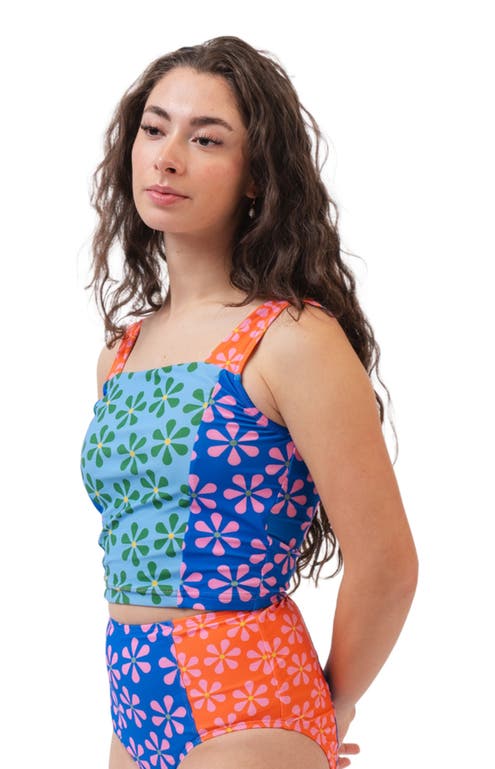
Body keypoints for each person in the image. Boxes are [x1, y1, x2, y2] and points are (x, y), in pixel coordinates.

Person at [80, 35, 418, 769]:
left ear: (257, 176)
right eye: (155, 129)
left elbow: (387, 562)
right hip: (132, 707)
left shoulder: (291, 338)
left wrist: (332, 701)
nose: (168, 157)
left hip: (250, 704)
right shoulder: (121, 353)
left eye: (206, 139)